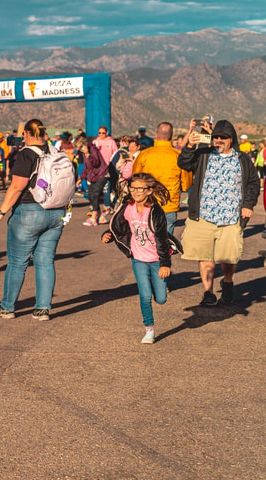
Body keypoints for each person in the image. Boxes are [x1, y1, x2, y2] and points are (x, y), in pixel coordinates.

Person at [0, 119, 69, 320]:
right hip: (56, 211)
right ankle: (42, 309)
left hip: (29, 211)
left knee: (17, 262)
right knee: (45, 261)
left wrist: (1, 212)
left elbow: (17, 186)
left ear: (26, 134)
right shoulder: (56, 151)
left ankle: (7, 307)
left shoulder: (26, 154)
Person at [177, 118, 260, 307]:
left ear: (231, 139)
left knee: (229, 258)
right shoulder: (203, 154)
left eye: (223, 137)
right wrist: (190, 144)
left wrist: (248, 204)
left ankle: (228, 282)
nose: (218, 140)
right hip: (203, 217)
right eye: (216, 137)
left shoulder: (243, 159)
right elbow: (183, 162)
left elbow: (254, 183)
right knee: (205, 255)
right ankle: (208, 292)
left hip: (231, 218)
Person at [102, 173, 176, 345]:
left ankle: (160, 288)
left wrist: (165, 264)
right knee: (144, 295)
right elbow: (118, 226)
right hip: (138, 258)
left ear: (149, 191)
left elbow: (162, 239)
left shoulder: (155, 211)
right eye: (133, 188)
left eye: (140, 189)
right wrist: (108, 235)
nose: (135, 192)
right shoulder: (127, 208)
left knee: (161, 299)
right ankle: (149, 330)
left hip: (157, 259)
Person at [132, 121, 193, 235]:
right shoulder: (178, 156)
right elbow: (186, 186)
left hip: (147, 204)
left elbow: (134, 180)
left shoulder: (144, 155)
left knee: (147, 243)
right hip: (169, 206)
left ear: (155, 135)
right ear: (172, 136)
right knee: (165, 245)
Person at [79, 137, 109, 227]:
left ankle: (93, 218)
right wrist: (81, 179)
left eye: (81, 147)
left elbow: (95, 163)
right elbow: (87, 167)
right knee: (90, 195)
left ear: (84, 146)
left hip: (102, 174)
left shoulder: (93, 150)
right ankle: (100, 217)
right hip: (93, 176)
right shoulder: (85, 154)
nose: (80, 150)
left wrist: (88, 154)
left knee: (95, 194)